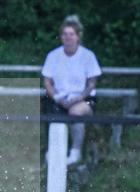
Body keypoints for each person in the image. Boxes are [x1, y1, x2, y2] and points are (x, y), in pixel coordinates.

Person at [41, 14, 102, 166]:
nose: (68, 37)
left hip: (84, 99)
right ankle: (54, 150)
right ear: (61, 36)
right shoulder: (53, 55)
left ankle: (76, 151)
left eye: (71, 34)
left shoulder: (88, 56)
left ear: (77, 36)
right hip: (59, 98)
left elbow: (92, 83)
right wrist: (58, 98)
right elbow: (47, 82)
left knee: (76, 111)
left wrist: (79, 98)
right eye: (65, 34)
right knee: (53, 112)